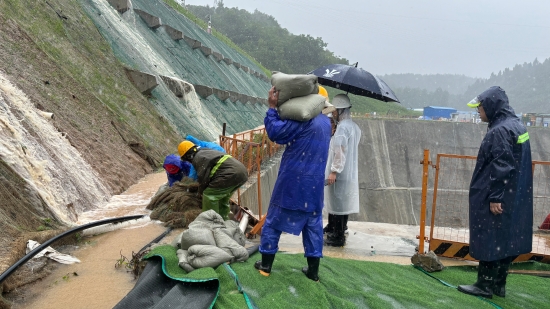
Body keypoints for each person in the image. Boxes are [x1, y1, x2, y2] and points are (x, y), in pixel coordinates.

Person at [457, 86, 533, 299]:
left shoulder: (499, 131)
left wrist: (495, 197)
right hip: (515, 193)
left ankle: (484, 285)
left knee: (489, 235)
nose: (478, 111)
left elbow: (502, 164)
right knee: (504, 237)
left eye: (480, 107)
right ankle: (499, 284)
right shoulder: (517, 126)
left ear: (491, 106)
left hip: (496, 194)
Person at [254, 86, 331, 282]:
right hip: (314, 184)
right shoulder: (326, 123)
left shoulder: (303, 120)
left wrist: (272, 108)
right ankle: (313, 272)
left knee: (273, 221)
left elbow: (275, 133)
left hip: (292, 181)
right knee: (313, 224)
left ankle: (265, 266)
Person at [323, 94, 362, 247]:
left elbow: (340, 151)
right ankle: (334, 227)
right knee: (340, 203)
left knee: (338, 204)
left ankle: (337, 236)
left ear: (339, 111)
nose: (333, 114)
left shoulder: (342, 129)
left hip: (340, 173)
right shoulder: (353, 127)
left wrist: (334, 171)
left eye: (334, 111)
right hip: (348, 172)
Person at [178, 140, 248, 220]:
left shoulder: (198, 158)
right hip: (242, 172)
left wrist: (199, 193)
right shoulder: (205, 151)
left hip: (231, 174)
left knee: (209, 196)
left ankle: (211, 223)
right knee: (222, 199)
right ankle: (223, 219)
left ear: (188, 156)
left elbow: (203, 178)